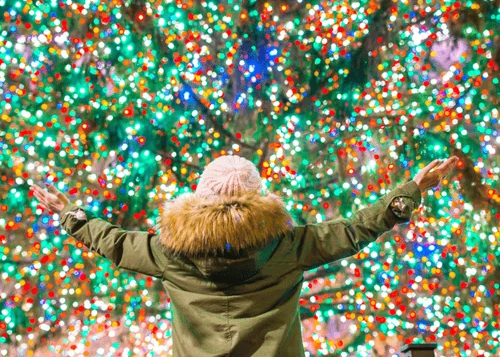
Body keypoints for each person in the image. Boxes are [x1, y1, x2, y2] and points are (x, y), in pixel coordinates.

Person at [30, 155, 458, 357]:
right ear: (258, 199)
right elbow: (354, 230)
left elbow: (115, 242)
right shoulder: (288, 245)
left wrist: (70, 213)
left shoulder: (168, 251)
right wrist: (409, 192)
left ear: (199, 198)